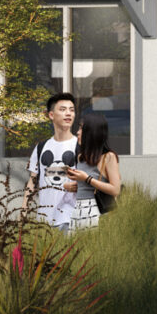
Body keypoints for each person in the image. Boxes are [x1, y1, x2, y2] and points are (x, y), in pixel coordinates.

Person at [28, 92, 111, 230]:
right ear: (51, 115)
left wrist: (84, 185)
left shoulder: (81, 146)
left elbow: (99, 179)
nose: (68, 113)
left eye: (71, 110)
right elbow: (32, 181)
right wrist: (23, 212)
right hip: (44, 220)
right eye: (63, 109)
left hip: (72, 218)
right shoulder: (41, 148)